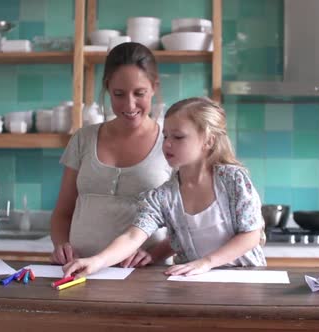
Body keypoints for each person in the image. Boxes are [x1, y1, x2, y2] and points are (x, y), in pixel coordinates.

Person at [63, 97, 266, 278]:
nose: (167, 144)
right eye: (165, 136)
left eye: (178, 137)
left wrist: (206, 263)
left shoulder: (233, 180)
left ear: (208, 140)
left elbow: (250, 236)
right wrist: (97, 261)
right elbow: (133, 236)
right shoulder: (163, 196)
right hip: (194, 286)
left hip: (246, 279)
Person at [50, 42, 173, 267]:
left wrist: (156, 254)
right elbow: (62, 212)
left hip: (145, 273)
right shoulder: (83, 138)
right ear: (108, 88)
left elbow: (191, 220)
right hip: (79, 270)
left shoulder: (170, 141)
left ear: (154, 87)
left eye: (139, 93)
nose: (130, 104)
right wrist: (61, 245)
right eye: (119, 94)